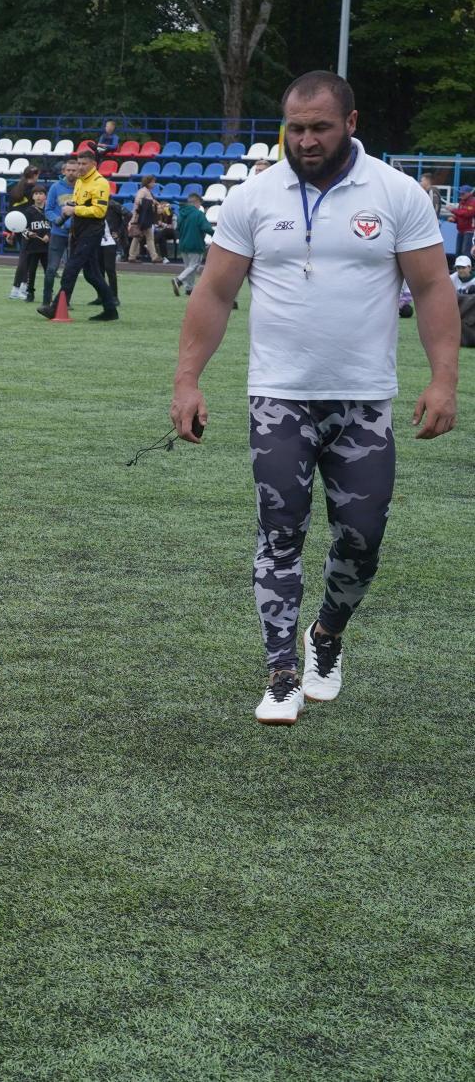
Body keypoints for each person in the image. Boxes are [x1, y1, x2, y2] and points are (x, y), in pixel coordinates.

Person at [168, 70, 459, 727]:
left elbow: (435, 288)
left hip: (363, 401)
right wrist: (186, 380)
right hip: (280, 399)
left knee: (362, 538)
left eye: (319, 127)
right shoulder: (254, 198)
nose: (304, 140)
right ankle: (280, 673)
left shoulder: (395, 193)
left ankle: (325, 637)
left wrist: (443, 380)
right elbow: (214, 293)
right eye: (294, 128)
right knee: (281, 532)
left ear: (350, 124)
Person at [41, 150, 119, 321]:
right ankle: (111, 309)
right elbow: (79, 202)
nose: (80, 167)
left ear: (93, 164)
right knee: (92, 274)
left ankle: (55, 307)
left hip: (92, 230)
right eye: (79, 164)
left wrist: (74, 209)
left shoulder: (100, 183)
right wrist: (71, 206)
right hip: (78, 229)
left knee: (71, 267)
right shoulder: (80, 182)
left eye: (84, 164)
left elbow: (99, 211)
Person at [38, 157, 78, 310]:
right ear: (63, 171)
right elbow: (47, 210)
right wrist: (58, 221)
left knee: (70, 270)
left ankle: (64, 301)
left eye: (74, 170)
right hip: (58, 233)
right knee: (51, 269)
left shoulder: (82, 188)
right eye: (68, 170)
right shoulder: (55, 187)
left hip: (75, 235)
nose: (71, 173)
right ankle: (46, 301)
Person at [9, 187, 50, 301]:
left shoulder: (49, 211)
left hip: (46, 248)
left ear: (45, 196)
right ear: (32, 197)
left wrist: (49, 235)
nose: (38, 196)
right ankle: (30, 293)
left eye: (41, 193)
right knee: (31, 272)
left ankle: (48, 294)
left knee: (49, 272)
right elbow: (22, 228)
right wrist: (29, 233)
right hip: (32, 247)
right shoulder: (28, 211)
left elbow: (53, 226)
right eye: (36, 194)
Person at [171, 192, 212, 295]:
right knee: (193, 266)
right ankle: (179, 280)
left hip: (183, 243)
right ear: (196, 202)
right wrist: (216, 234)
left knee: (188, 267)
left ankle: (189, 288)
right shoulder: (199, 214)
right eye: (199, 204)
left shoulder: (181, 213)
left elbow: (177, 228)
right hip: (195, 244)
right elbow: (206, 228)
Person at [129, 176, 162, 262]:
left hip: (145, 218)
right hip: (141, 218)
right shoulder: (143, 191)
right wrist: (152, 202)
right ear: (148, 183)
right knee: (147, 237)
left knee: (138, 237)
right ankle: (154, 257)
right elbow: (138, 201)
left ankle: (132, 256)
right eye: (152, 182)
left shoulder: (148, 192)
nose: (154, 184)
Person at [451, 185, 474, 261]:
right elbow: (460, 215)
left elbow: (468, 213)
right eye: (460, 193)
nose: (461, 195)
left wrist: (453, 210)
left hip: (469, 231)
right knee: (458, 251)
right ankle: (458, 269)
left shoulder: (473, 202)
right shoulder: (461, 202)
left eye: (463, 193)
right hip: (461, 231)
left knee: (465, 251)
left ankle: (467, 270)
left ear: (469, 193)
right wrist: (454, 219)